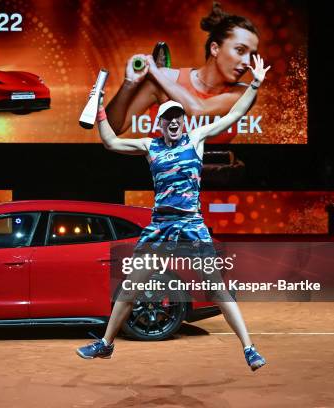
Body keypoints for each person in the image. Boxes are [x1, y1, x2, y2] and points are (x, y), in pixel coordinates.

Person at [76, 55, 270, 371]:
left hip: (192, 226)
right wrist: (99, 112)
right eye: (170, 117)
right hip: (160, 226)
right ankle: (106, 344)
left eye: (179, 115)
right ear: (162, 123)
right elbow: (111, 142)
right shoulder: (150, 147)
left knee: (217, 289)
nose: (175, 120)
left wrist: (257, 83)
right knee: (130, 287)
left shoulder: (195, 139)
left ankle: (249, 348)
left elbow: (235, 112)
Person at [106, 1, 259, 143]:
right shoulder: (164, 79)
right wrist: (129, 84)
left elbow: (197, 110)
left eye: (251, 55)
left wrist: (155, 72)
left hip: (214, 171)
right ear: (215, 48)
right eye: (240, 50)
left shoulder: (245, 93)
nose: (247, 62)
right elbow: (113, 129)